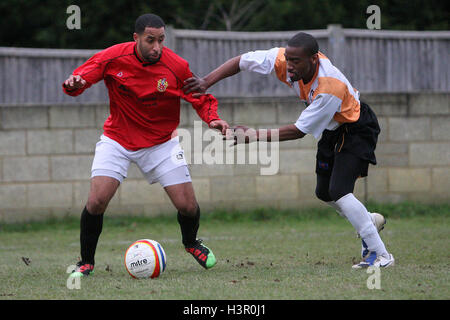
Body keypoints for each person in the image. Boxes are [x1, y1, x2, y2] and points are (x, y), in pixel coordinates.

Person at [183, 32, 394, 269]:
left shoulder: (329, 87)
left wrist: (253, 136)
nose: (290, 66)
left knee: (340, 190)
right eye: (288, 59)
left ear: (314, 59)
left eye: (296, 61)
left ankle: (381, 255)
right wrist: (206, 82)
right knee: (324, 192)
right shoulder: (283, 59)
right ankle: (368, 221)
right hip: (332, 128)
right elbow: (242, 61)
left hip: (356, 128)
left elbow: (298, 131)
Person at [63, 13, 229, 277]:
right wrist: (74, 84)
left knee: (187, 206)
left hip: (161, 143)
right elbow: (81, 78)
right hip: (117, 139)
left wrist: (214, 119)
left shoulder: (175, 66)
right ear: (136, 38)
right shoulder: (113, 57)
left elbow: (200, 97)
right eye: (150, 40)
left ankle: (191, 243)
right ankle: (86, 262)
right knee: (96, 202)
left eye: (161, 40)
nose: (156, 47)